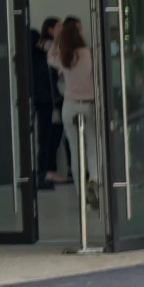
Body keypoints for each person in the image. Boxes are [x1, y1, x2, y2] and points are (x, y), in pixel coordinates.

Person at [51, 17, 99, 206]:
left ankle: (81, 194)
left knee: (75, 148)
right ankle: (94, 178)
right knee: (93, 144)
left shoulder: (63, 56)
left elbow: (49, 57)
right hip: (89, 104)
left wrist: (56, 39)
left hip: (70, 106)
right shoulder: (89, 54)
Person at [30, 17, 63, 189]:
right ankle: (45, 172)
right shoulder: (38, 55)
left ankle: (48, 171)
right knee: (46, 138)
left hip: (48, 99)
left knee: (50, 137)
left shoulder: (40, 55)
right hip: (46, 100)